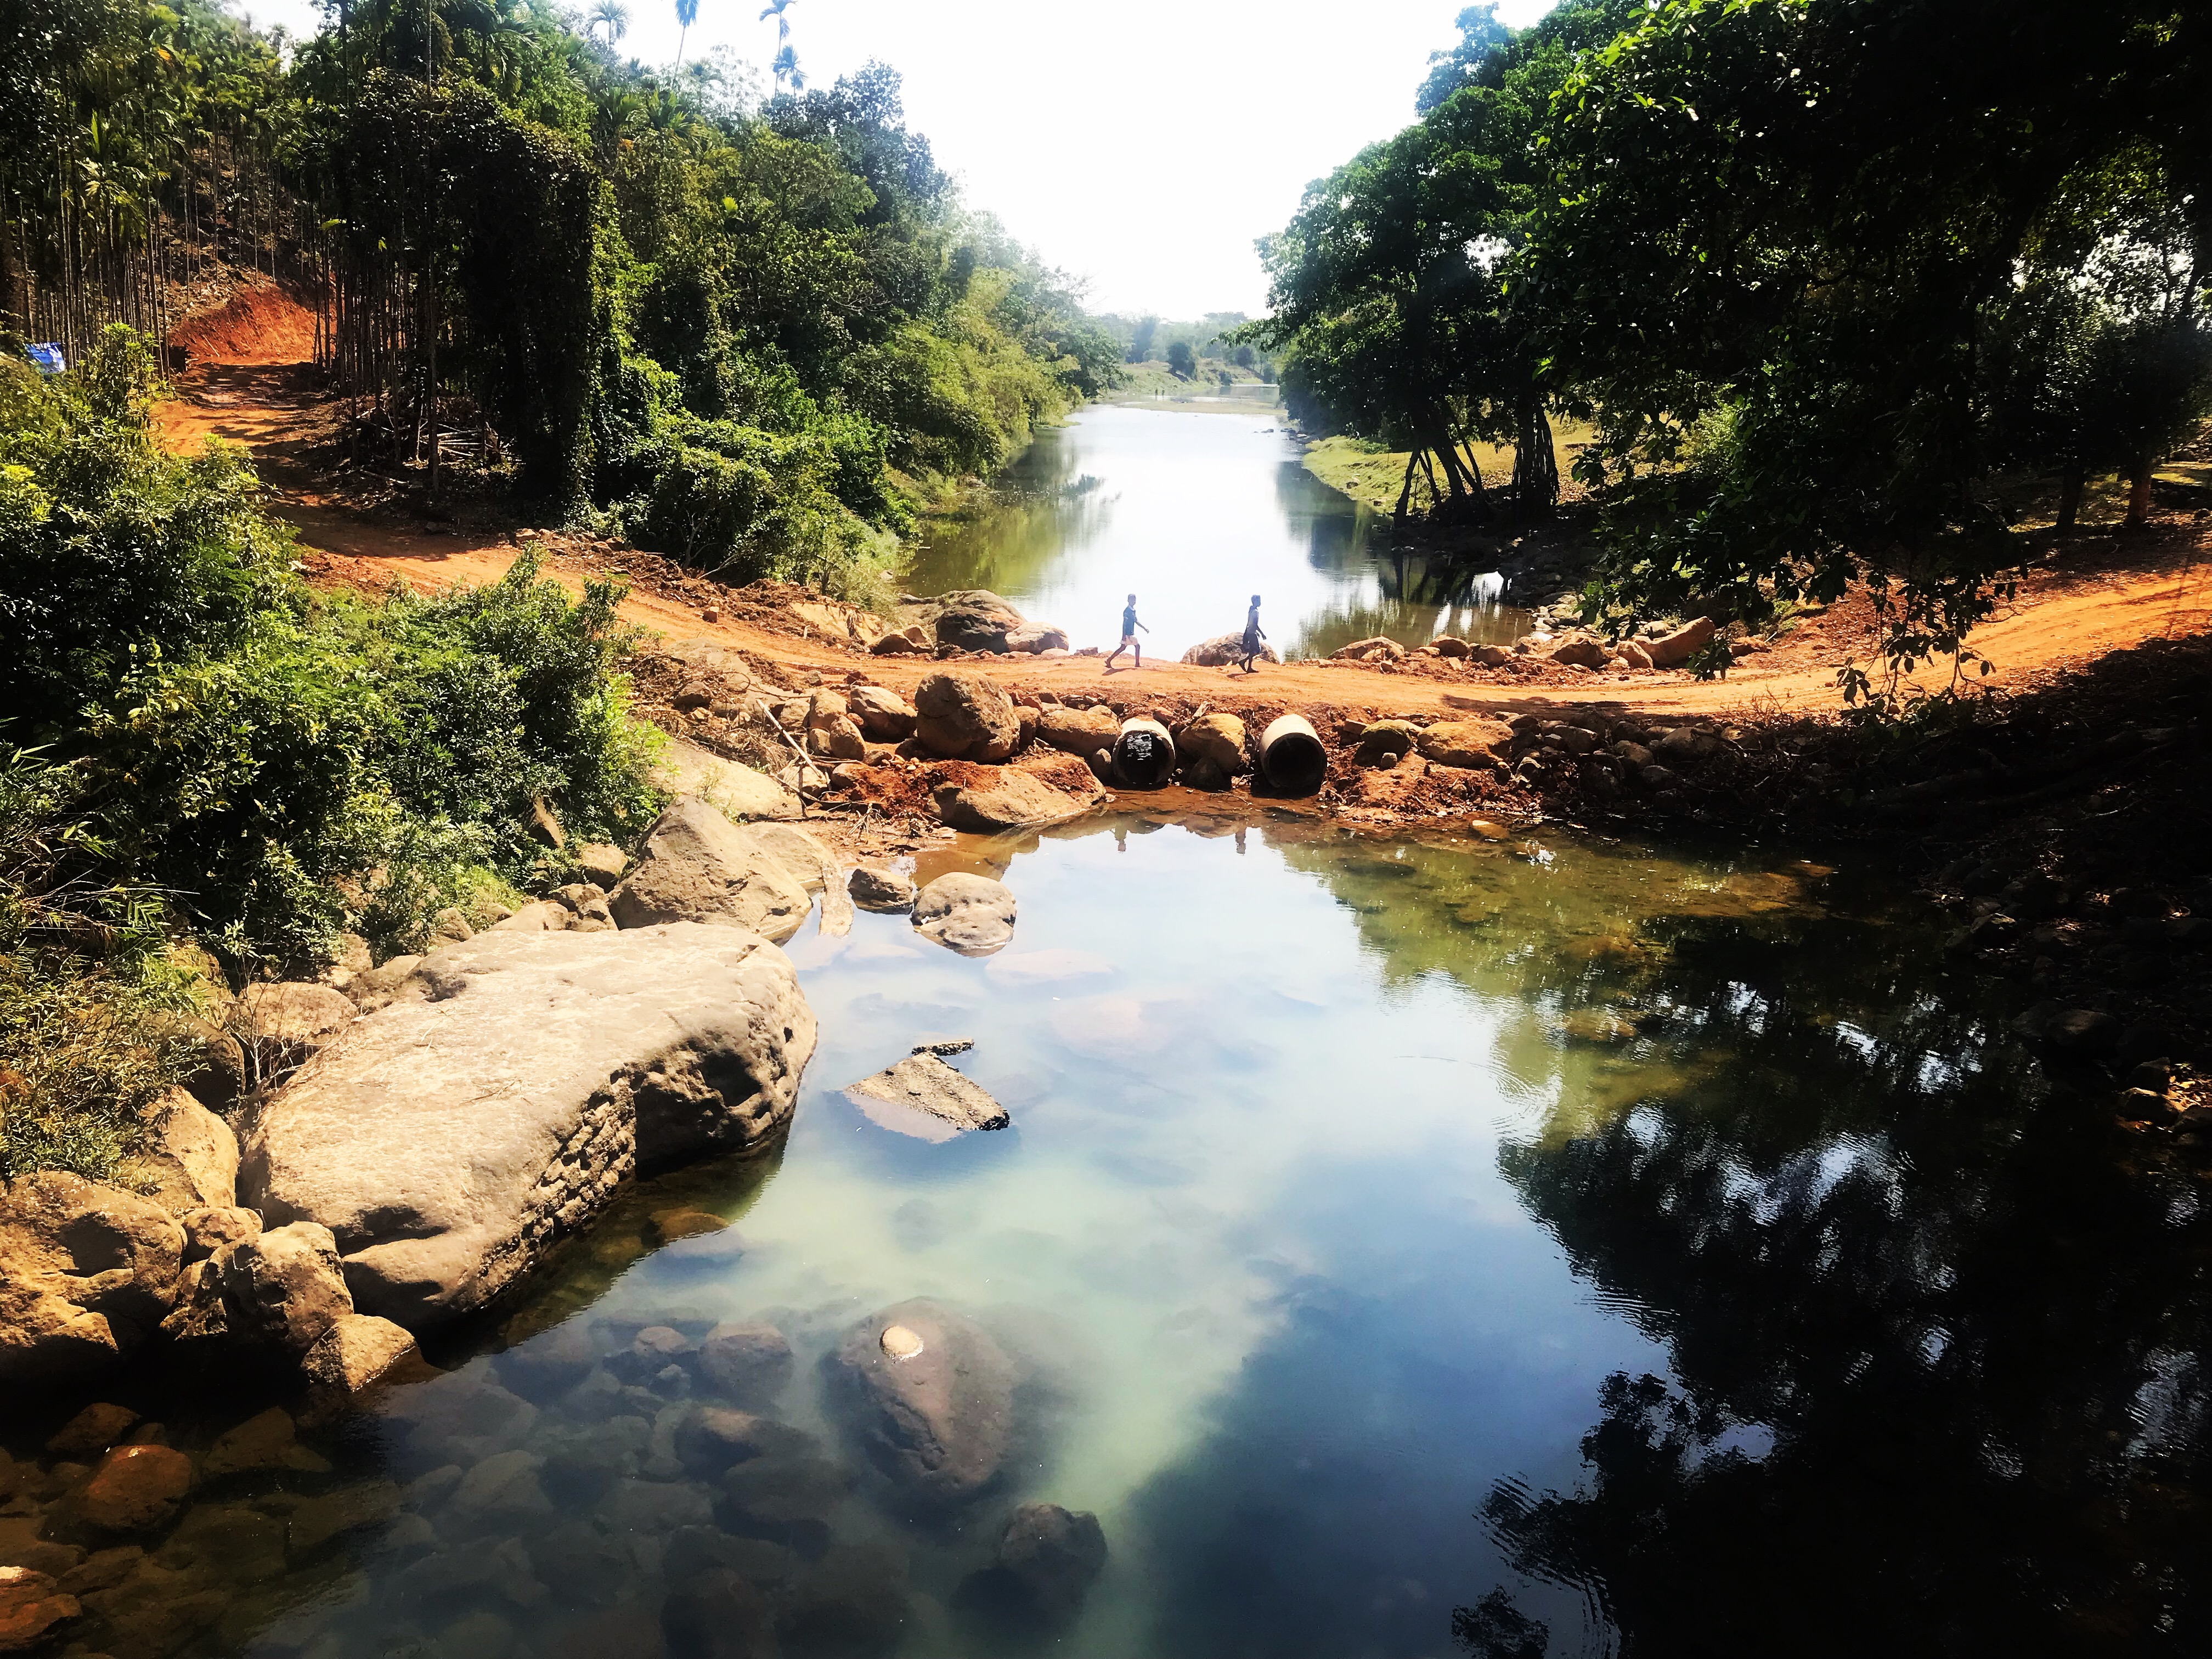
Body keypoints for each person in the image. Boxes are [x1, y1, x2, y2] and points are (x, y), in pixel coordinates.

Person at [1105, 592, 1149, 670]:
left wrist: (1144, 628)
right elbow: (1124, 624)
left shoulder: (1133, 610)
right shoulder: (1127, 611)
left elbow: (1136, 620)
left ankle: (1109, 660)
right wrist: (1124, 635)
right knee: (1137, 646)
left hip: (1130, 633)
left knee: (1122, 648)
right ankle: (1137, 664)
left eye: (1135, 600)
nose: (1134, 601)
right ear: (1128, 600)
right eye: (1132, 600)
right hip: (1128, 633)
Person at [1237, 594, 1267, 673]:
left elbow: (1249, 623)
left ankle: (1249, 667)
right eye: (1259, 601)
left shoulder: (1251, 610)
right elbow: (1255, 624)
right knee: (1257, 650)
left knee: (1252, 650)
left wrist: (1246, 633)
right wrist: (1262, 634)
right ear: (1255, 601)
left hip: (1249, 632)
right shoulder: (1255, 612)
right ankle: (1243, 662)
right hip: (1252, 633)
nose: (1260, 602)